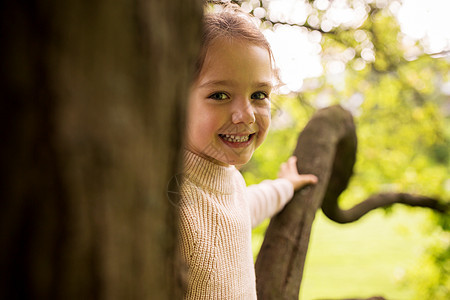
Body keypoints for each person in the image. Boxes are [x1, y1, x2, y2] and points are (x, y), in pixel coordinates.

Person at [177, 4, 318, 299]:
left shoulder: (229, 182)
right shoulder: (173, 204)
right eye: (219, 95)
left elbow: (243, 208)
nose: (247, 115)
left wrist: (284, 187)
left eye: (259, 95)